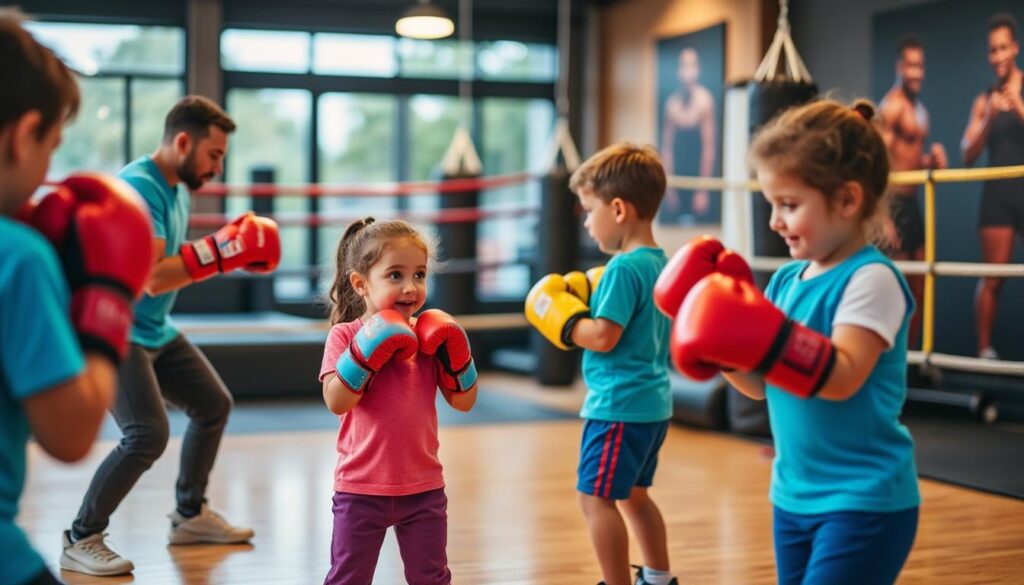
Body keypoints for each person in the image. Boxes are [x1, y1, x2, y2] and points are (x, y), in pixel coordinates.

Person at [661, 100, 919, 585]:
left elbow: (841, 377)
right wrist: (715, 344)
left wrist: (760, 333)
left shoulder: (871, 280)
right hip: (792, 496)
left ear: (846, 200)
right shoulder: (785, 282)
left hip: (863, 500)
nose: (776, 222)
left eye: (790, 205)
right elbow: (761, 385)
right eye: (771, 205)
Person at [61, 95, 281, 576]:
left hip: (155, 328)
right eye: (214, 155)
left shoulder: (176, 187)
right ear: (183, 141)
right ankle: (81, 535)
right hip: (119, 329)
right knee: (146, 434)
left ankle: (188, 516)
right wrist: (222, 253)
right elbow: (153, 277)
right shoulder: (139, 189)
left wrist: (219, 252)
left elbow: (170, 272)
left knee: (213, 405)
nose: (217, 168)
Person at [0, 9, 153, 585]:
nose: (47, 171)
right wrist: (108, 295)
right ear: (23, 135)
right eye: (50, 148)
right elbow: (69, 433)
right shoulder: (17, 256)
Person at [525, 144, 678, 585]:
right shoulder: (659, 264)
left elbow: (604, 335)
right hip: (652, 404)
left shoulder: (622, 270)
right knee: (635, 496)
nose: (587, 222)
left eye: (589, 210)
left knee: (594, 500)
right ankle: (658, 577)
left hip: (616, 406)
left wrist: (562, 317)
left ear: (617, 209)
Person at [319, 217, 478, 585]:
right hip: (360, 488)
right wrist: (367, 353)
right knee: (348, 578)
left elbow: (464, 401)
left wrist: (459, 356)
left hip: (423, 488)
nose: (411, 287)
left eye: (419, 275)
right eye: (395, 275)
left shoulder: (430, 337)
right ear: (360, 283)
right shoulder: (345, 336)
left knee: (432, 578)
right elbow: (336, 401)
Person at [961, 12, 1024, 360]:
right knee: (993, 277)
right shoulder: (983, 100)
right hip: (998, 195)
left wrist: (1018, 106)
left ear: (1015, 48)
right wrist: (987, 118)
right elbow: (966, 153)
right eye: (992, 50)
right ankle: (984, 351)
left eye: (1004, 48)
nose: (998, 56)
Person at [879, 35, 948, 348]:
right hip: (894, 205)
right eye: (910, 66)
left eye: (920, 66)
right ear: (899, 67)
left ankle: (914, 362)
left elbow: (908, 161)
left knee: (920, 285)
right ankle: (894, 360)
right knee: (898, 289)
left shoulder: (920, 110)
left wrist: (929, 161)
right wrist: (882, 215)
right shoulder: (892, 107)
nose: (916, 72)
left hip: (914, 203)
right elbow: (878, 160)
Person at [660, 47, 716, 224]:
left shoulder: (705, 100)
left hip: (697, 177)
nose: (687, 70)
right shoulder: (672, 104)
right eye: (684, 65)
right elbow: (666, 148)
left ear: (697, 69)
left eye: (691, 65)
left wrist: (703, 189)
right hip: (678, 178)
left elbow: (709, 146)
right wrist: (669, 187)